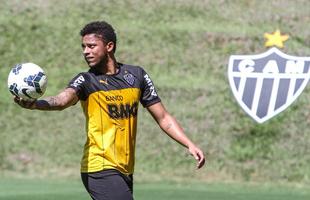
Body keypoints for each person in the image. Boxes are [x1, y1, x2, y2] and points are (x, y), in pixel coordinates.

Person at [14, 21, 205, 200]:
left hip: (125, 169)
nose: (86, 52)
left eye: (91, 46)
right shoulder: (86, 81)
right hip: (99, 167)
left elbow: (163, 117)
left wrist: (189, 144)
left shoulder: (137, 75)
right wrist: (36, 104)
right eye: (83, 47)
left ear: (109, 46)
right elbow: (61, 100)